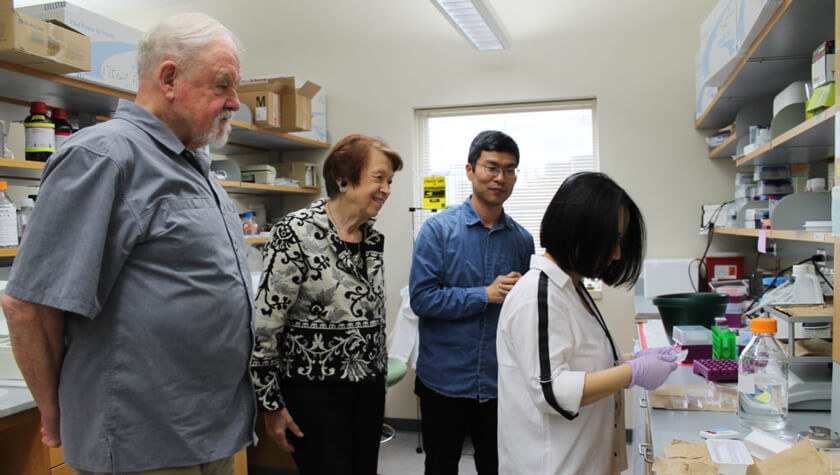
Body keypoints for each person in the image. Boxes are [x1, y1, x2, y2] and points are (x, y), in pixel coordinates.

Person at [2, 13, 256, 474]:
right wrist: (56, 410)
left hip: (208, 430)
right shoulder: (103, 157)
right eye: (222, 86)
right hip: (142, 441)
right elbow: (30, 306)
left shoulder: (193, 164)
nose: (234, 102)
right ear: (169, 77)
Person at [496, 172, 678, 475]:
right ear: (577, 232)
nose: (618, 254)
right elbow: (551, 390)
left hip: (584, 458)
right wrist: (631, 373)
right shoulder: (537, 296)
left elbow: (578, 360)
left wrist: (629, 361)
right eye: (612, 242)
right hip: (553, 465)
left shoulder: (572, 286)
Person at [250, 134, 403, 475]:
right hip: (313, 394)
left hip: (366, 391)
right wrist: (270, 404)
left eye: (389, 181)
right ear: (343, 178)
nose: (386, 189)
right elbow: (265, 325)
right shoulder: (295, 233)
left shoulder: (371, 238)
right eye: (378, 178)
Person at [409, 130, 534, 475]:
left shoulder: (522, 240)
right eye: (491, 167)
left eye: (510, 170)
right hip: (445, 381)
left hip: (499, 384)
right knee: (440, 466)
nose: (500, 178)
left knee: (497, 467)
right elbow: (422, 298)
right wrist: (485, 294)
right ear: (470, 170)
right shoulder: (437, 231)